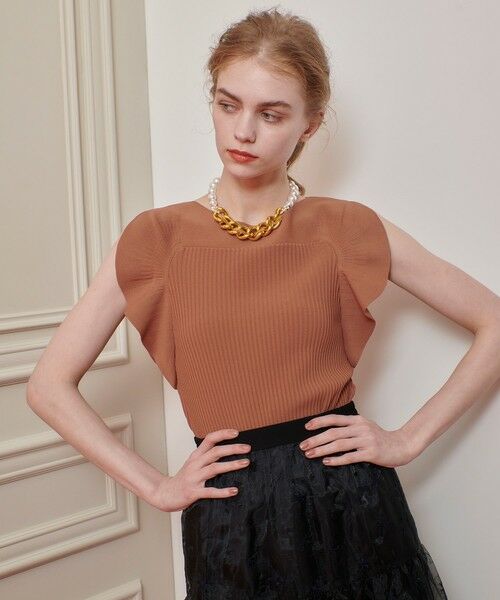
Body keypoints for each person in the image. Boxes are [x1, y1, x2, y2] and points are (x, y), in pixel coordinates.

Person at [27, 7, 500, 599]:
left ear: (309, 125)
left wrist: (407, 439)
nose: (242, 132)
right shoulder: (157, 240)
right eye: (228, 105)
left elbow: (493, 320)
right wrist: (155, 487)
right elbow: (47, 386)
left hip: (349, 502)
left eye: (270, 114)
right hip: (232, 513)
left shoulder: (346, 229)